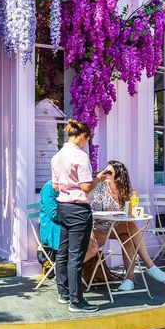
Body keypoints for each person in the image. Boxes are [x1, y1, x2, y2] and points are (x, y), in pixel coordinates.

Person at [51, 119, 108, 313]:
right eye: (87, 140)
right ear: (82, 136)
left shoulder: (57, 156)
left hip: (63, 206)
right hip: (78, 210)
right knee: (76, 255)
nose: (87, 144)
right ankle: (76, 301)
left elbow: (55, 187)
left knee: (63, 251)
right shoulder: (80, 157)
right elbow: (86, 187)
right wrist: (99, 179)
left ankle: (64, 293)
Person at [91, 160, 165, 290]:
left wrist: (127, 214)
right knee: (130, 228)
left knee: (127, 236)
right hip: (101, 229)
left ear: (118, 175)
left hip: (119, 227)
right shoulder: (100, 188)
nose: (105, 174)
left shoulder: (126, 189)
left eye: (109, 172)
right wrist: (115, 214)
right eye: (105, 171)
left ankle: (129, 279)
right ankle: (150, 265)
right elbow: (96, 215)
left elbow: (131, 212)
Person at [39, 180, 99, 280]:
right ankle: (65, 271)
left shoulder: (71, 187)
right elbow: (53, 214)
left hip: (70, 225)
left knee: (93, 246)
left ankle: (66, 271)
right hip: (54, 230)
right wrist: (75, 215)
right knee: (91, 247)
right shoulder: (49, 188)